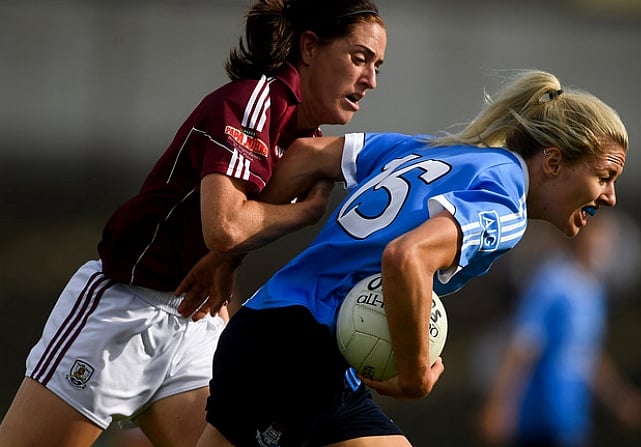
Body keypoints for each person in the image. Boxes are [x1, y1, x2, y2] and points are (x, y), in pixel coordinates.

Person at [0, 1, 386, 446]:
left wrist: (228, 279)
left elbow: (227, 246)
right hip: (123, 313)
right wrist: (306, 211)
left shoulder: (306, 142)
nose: (370, 80)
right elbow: (223, 228)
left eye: (377, 66)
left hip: (195, 325)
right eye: (359, 58)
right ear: (310, 47)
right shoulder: (254, 102)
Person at [178, 68, 631, 447]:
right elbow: (407, 258)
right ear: (552, 162)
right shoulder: (506, 208)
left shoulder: (439, 151)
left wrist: (230, 255)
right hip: (303, 349)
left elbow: (306, 156)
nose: (610, 196)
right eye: (604, 176)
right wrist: (414, 377)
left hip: (280, 331)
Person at [475, 212, 641, 447]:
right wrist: (499, 404)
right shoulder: (551, 281)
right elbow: (523, 345)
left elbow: (586, 354)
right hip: (539, 419)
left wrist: (618, 398)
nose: (606, 246)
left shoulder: (593, 291)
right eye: (600, 236)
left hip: (570, 420)